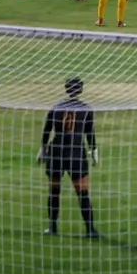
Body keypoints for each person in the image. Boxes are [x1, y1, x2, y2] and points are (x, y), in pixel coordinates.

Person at [38, 77, 98, 237]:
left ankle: (52, 227)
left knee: (54, 190)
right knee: (82, 192)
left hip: (56, 151)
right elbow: (90, 133)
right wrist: (93, 151)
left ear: (66, 89)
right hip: (76, 152)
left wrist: (43, 149)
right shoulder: (86, 109)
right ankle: (90, 230)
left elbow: (46, 130)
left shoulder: (56, 107)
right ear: (81, 90)